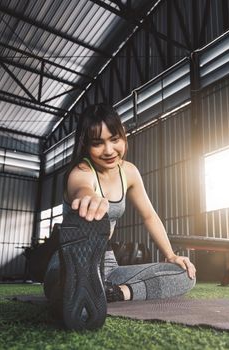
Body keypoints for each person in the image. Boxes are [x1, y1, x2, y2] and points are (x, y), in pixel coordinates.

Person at [44, 103, 196, 330]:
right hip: (69, 262)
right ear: (85, 144)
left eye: (114, 139)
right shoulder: (82, 172)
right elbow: (81, 188)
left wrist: (171, 255)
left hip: (108, 266)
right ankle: (67, 290)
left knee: (185, 275)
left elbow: (149, 216)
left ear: (123, 135)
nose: (108, 150)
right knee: (63, 286)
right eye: (98, 143)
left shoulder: (129, 172)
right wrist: (88, 197)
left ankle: (114, 294)